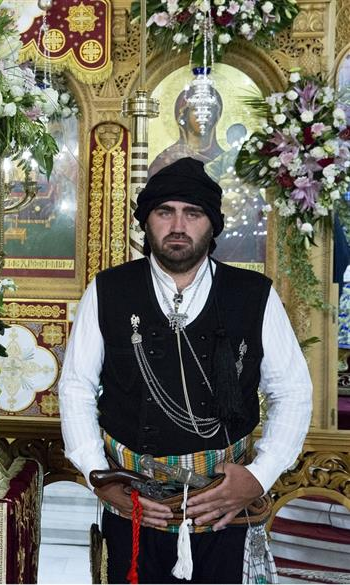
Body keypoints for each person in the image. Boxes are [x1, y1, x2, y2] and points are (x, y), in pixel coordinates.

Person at [58, 157, 312, 583]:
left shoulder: (254, 295)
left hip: (223, 504)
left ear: (212, 224)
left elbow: (292, 391)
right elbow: (76, 388)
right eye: (165, 212)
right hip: (133, 499)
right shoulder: (108, 291)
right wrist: (97, 475)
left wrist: (258, 477)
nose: (178, 226)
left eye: (192, 213)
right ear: (146, 221)